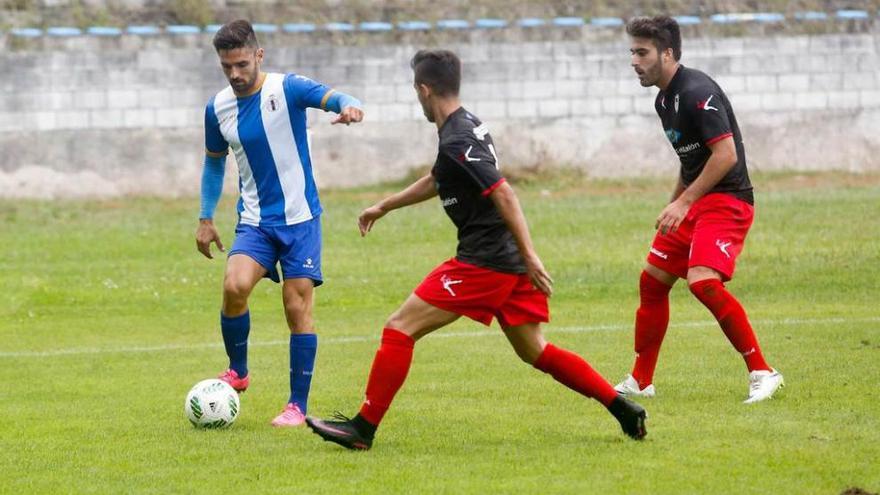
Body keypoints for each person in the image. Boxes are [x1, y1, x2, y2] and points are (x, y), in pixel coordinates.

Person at [305, 49, 647, 450]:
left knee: (399, 328)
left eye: (415, 91)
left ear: (424, 89)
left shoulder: (458, 137)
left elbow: (503, 192)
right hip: (506, 261)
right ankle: (622, 407)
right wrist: (385, 206)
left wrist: (531, 254)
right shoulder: (465, 125)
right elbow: (439, 179)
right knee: (535, 351)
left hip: (486, 262)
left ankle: (363, 428)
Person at [195, 19, 364, 427]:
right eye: (226, 67)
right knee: (234, 286)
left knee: (296, 307)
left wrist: (348, 107)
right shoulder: (217, 108)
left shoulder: (287, 88)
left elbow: (333, 95)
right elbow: (214, 164)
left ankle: (296, 406)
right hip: (254, 221)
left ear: (258, 55)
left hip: (300, 220)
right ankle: (238, 370)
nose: (235, 74)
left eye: (241, 64)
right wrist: (205, 216)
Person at [615, 16, 783, 404]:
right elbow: (689, 160)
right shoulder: (663, 99)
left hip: (728, 200)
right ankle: (641, 380)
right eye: (632, 52)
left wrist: (685, 202)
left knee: (703, 282)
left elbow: (725, 155)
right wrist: (675, 202)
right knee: (653, 280)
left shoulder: (696, 91)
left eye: (642, 52)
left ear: (668, 53)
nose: (634, 61)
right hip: (697, 201)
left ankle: (763, 371)